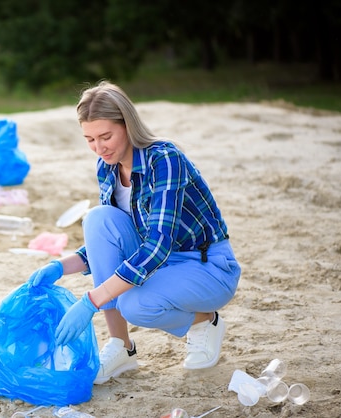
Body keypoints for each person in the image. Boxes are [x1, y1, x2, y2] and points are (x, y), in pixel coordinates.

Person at [26, 81, 240, 384]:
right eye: (89, 139)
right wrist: (60, 266)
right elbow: (107, 243)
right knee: (98, 219)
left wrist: (90, 301)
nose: (99, 148)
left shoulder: (165, 159)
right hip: (161, 265)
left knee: (135, 305)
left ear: (127, 125)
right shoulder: (106, 167)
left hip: (206, 266)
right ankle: (121, 346)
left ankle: (205, 320)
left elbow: (157, 246)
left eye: (106, 136)